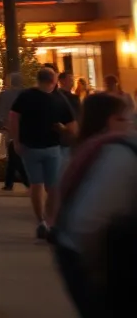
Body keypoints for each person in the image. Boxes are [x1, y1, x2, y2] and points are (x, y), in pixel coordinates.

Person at [53, 92, 137, 316]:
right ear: (111, 120)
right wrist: (98, 270)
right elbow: (88, 224)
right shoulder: (117, 155)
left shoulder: (84, 150)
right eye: (125, 119)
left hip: (78, 254)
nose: (130, 125)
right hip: (97, 265)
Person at [10, 67, 78, 239]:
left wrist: (16, 141)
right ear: (53, 81)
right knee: (53, 186)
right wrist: (64, 131)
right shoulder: (59, 98)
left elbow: (13, 117)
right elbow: (72, 125)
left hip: (29, 147)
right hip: (52, 147)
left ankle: (41, 221)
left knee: (36, 185)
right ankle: (51, 221)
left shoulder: (25, 96)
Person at [0, 72, 30, 191]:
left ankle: (18, 182)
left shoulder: (3, 95)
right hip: (23, 128)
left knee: (13, 153)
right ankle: (13, 182)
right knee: (14, 154)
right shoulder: (26, 94)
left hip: (8, 127)